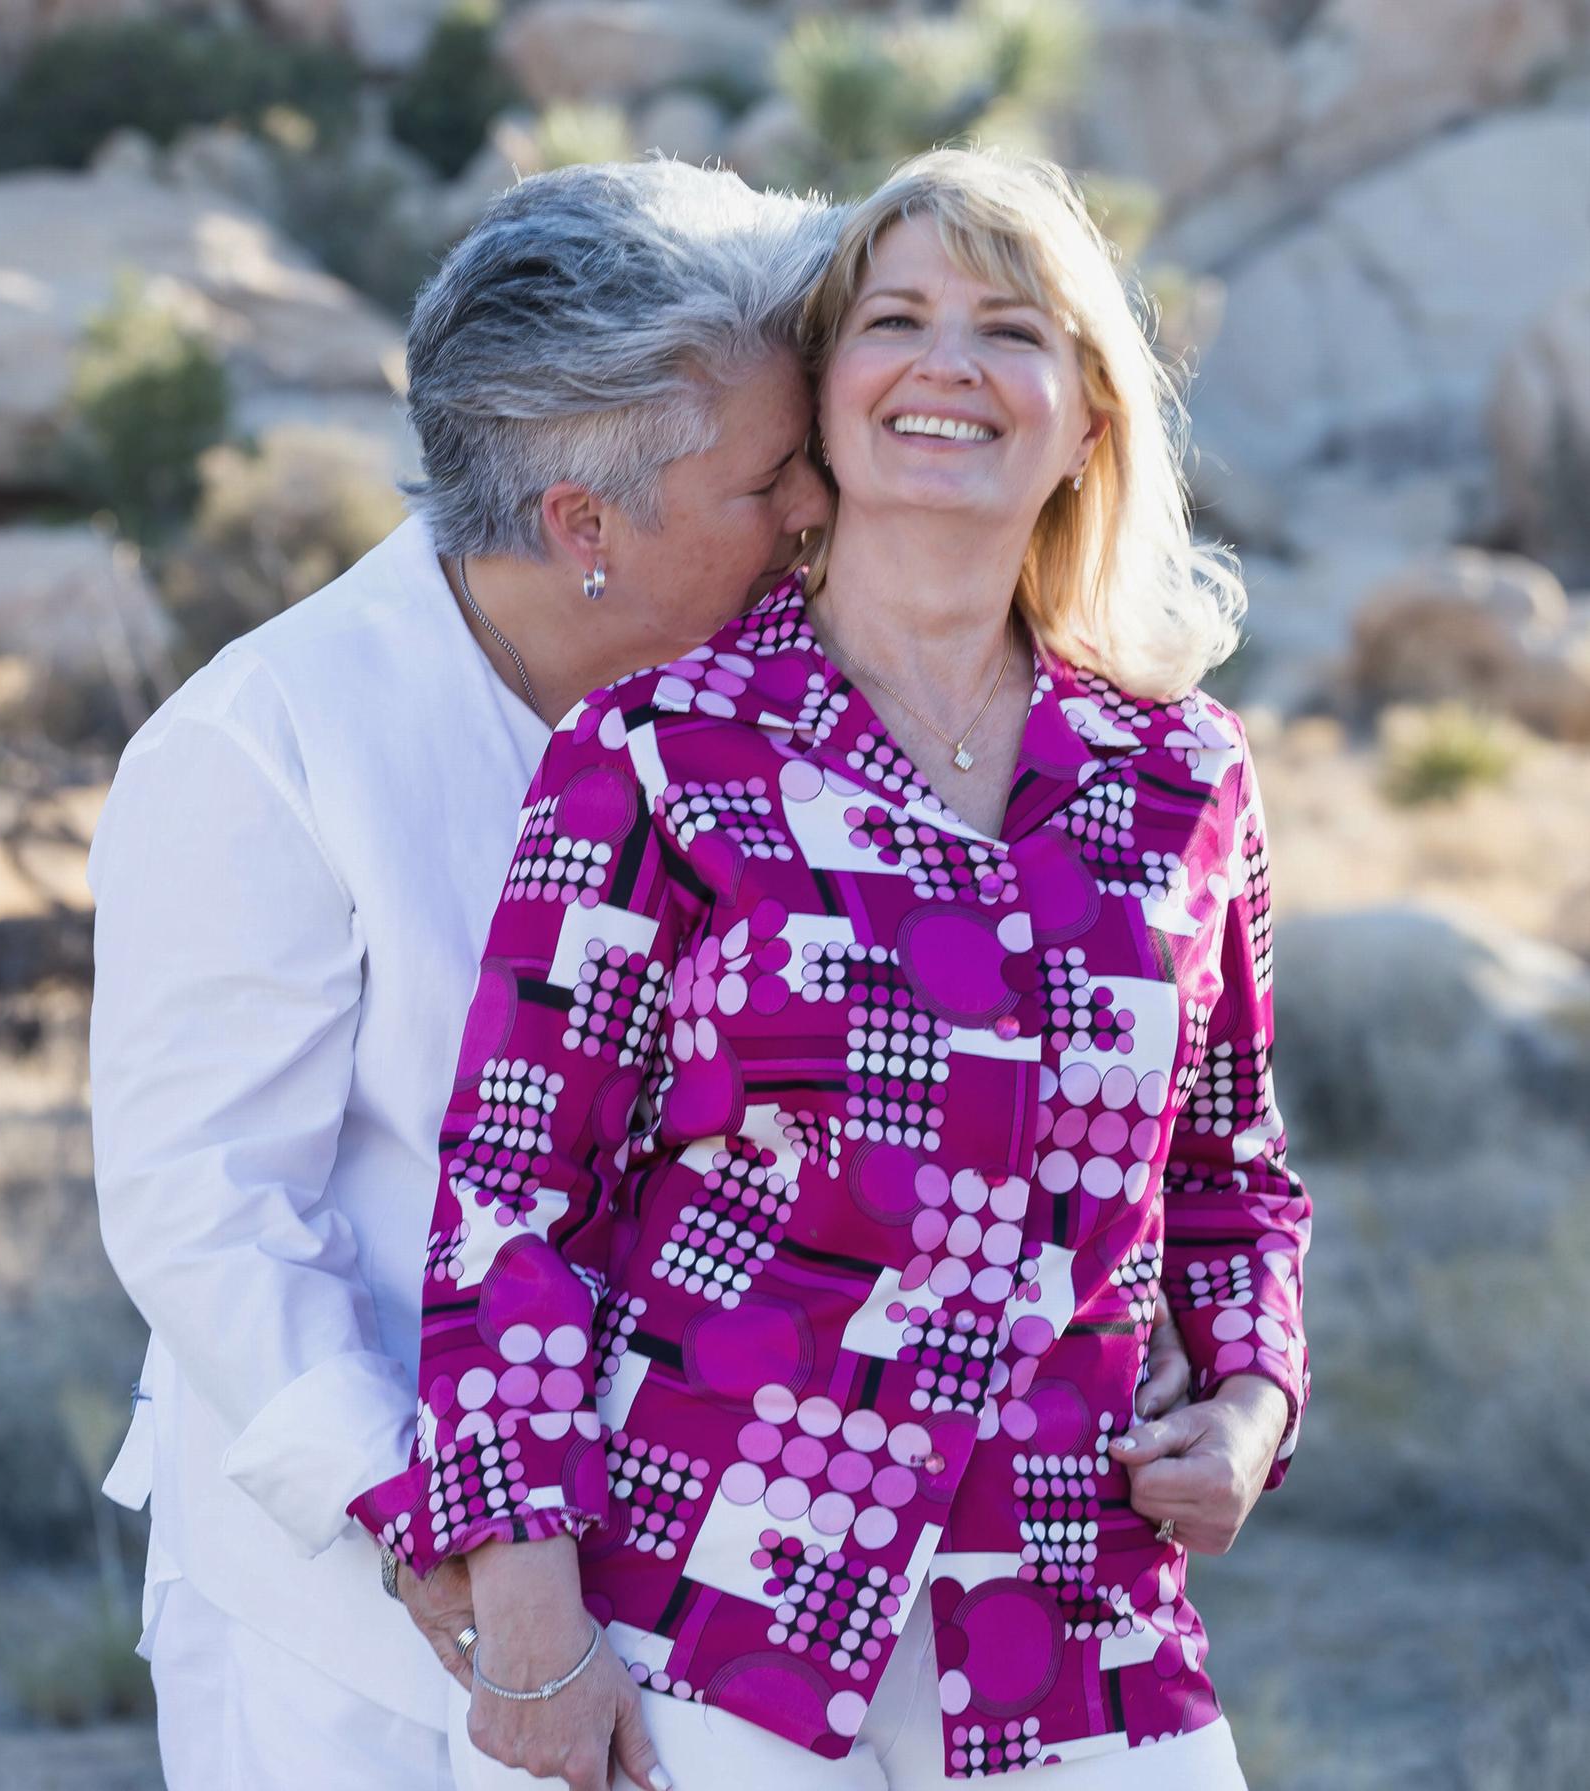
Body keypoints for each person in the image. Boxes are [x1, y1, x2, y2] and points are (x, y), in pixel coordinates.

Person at [348, 146, 1308, 1791]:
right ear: (830, 385)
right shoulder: (654, 753)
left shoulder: (1182, 775)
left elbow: (1228, 1174)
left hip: (1072, 1623)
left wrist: (1247, 1407)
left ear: (1086, 418)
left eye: (1009, 328)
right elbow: (515, 1197)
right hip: (706, 1621)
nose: (946, 364)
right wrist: (527, 1619)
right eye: (896, 317)